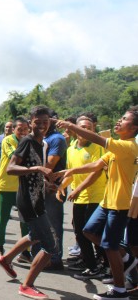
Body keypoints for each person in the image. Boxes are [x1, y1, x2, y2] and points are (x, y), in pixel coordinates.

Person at [54, 106, 138, 300]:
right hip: (108, 201)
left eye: (124, 119)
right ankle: (126, 259)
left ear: (133, 128)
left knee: (110, 246)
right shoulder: (119, 145)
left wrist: (70, 125)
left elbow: (97, 139)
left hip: (120, 203)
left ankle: (119, 290)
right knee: (89, 231)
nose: (119, 121)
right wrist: (70, 172)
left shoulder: (128, 147)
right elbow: (98, 165)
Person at [0, 105, 58, 300]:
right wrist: (38, 168)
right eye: (37, 123)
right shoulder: (27, 142)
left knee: (33, 235)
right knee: (51, 246)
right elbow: (11, 168)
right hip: (27, 200)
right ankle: (27, 285)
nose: (41, 126)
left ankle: (6, 259)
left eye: (45, 122)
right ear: (30, 123)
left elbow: (36, 175)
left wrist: (46, 186)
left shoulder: (43, 144)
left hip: (37, 197)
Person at [61, 114, 107, 279]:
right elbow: (70, 173)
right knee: (80, 233)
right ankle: (92, 266)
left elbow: (96, 172)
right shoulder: (71, 148)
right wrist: (61, 187)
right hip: (79, 198)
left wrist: (78, 188)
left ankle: (106, 264)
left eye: (89, 128)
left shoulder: (98, 147)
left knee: (92, 232)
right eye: (82, 127)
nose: (85, 130)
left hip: (96, 197)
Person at [0, 117, 31, 262]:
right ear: (14, 129)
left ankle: (25, 252)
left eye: (25, 129)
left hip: (22, 188)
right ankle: (0, 247)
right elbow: (15, 157)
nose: (22, 132)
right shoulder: (7, 140)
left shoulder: (30, 141)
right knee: (2, 220)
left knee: (25, 222)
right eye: (19, 129)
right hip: (5, 186)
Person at [41, 109, 68, 271]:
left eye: (47, 120)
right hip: (42, 186)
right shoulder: (44, 138)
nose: (43, 124)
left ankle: (55, 258)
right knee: (42, 224)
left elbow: (49, 165)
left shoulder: (56, 139)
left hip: (52, 188)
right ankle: (45, 255)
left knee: (54, 224)